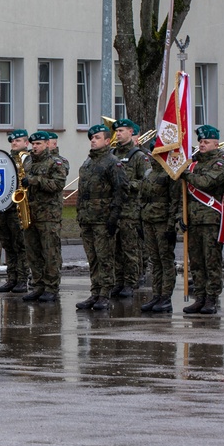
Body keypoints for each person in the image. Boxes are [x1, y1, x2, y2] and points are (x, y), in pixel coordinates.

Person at [75, 123, 126, 311]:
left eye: (97, 138)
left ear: (107, 141)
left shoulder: (112, 162)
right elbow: (82, 192)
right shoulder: (88, 162)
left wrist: (114, 217)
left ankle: (105, 293)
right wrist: (80, 213)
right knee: (93, 258)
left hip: (103, 219)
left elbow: (121, 190)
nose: (93, 141)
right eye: (92, 138)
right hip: (88, 218)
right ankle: (95, 292)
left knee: (105, 257)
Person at [181, 125, 224, 315]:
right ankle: (200, 297)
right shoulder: (193, 163)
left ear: (216, 144)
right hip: (193, 219)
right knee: (196, 261)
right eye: (200, 142)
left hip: (210, 218)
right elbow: (184, 194)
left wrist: (185, 173)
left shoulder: (220, 161)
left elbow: (206, 183)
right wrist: (182, 215)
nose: (202, 145)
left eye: (206, 142)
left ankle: (211, 298)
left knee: (211, 261)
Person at [19, 131, 68, 302]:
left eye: (38, 144)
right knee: (33, 252)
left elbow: (58, 184)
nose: (35, 147)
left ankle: (51, 287)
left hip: (48, 215)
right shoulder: (28, 162)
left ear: (47, 144)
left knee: (50, 252)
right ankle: (38, 285)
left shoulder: (55, 162)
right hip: (30, 213)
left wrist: (34, 180)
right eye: (33, 144)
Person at [110, 118, 151, 297]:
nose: (118, 134)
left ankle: (131, 282)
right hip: (114, 209)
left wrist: (127, 185)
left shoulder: (138, 156)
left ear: (131, 132)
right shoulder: (111, 155)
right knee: (116, 249)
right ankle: (118, 281)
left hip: (130, 210)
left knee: (130, 249)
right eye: (116, 131)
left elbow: (146, 182)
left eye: (122, 131)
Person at [139, 156, 181, 313]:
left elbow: (175, 200)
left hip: (163, 221)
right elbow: (142, 198)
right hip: (148, 220)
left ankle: (166, 297)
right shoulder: (148, 173)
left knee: (166, 260)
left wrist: (172, 225)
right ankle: (156, 295)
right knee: (154, 260)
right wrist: (140, 220)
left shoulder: (170, 173)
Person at [0, 128, 30, 293]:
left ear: (26, 143)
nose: (14, 143)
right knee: (8, 244)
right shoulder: (6, 159)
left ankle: (23, 279)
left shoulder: (29, 160)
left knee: (20, 245)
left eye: (17, 140)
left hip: (20, 208)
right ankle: (11, 278)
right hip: (5, 207)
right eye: (12, 141)